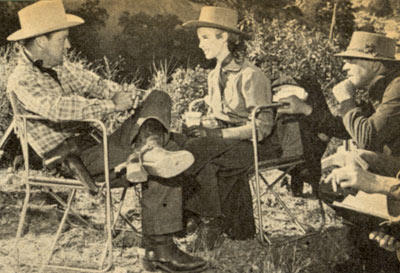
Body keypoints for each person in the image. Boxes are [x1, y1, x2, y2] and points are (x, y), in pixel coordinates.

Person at [7, 1, 208, 272]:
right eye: (63, 39)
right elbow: (57, 109)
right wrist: (112, 105)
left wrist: (129, 96)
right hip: (73, 159)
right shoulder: (21, 79)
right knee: (170, 148)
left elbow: (98, 84)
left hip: (98, 145)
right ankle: (159, 248)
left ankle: (150, 150)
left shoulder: (60, 66)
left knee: (157, 97)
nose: (68, 46)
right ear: (42, 40)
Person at [181, 6, 282, 249]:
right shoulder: (214, 75)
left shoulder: (251, 76)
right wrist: (204, 124)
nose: (200, 45)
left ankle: (202, 221)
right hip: (227, 144)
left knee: (196, 154)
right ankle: (216, 223)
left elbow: (262, 128)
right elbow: (221, 116)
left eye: (205, 38)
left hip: (258, 146)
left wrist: (216, 134)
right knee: (190, 147)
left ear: (224, 37)